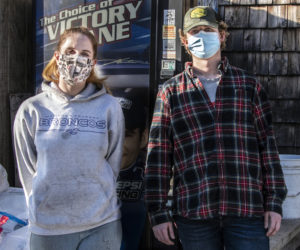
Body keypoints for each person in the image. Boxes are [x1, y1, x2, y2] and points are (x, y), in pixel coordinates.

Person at [145, 6, 287, 250]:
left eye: (208, 30)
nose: (201, 36)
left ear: (221, 35)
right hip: (194, 212)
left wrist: (274, 202)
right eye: (195, 31)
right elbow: (158, 156)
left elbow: (268, 148)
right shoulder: (170, 92)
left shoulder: (248, 86)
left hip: (246, 210)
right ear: (184, 40)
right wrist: (157, 213)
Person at [13, 27, 124, 250]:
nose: (76, 59)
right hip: (49, 229)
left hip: (101, 225)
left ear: (93, 62)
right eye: (70, 51)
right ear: (57, 56)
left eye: (85, 54)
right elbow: (28, 171)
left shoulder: (109, 107)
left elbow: (113, 161)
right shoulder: (31, 110)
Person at [112, 88, 148, 250]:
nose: (116, 144)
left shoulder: (154, 178)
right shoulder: (84, 176)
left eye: (126, 135)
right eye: (110, 134)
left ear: (144, 138)